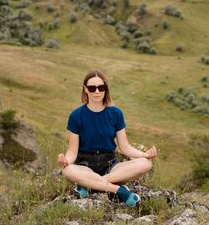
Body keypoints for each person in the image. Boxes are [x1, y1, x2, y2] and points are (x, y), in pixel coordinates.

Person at [58, 70, 157, 207]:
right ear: (86, 89)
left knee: (146, 163)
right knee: (67, 171)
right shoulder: (76, 115)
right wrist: (66, 160)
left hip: (111, 165)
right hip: (85, 165)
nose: (97, 91)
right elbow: (72, 151)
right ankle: (118, 190)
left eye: (101, 87)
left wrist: (144, 154)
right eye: (92, 88)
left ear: (105, 89)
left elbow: (125, 147)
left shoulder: (116, 114)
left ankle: (90, 185)